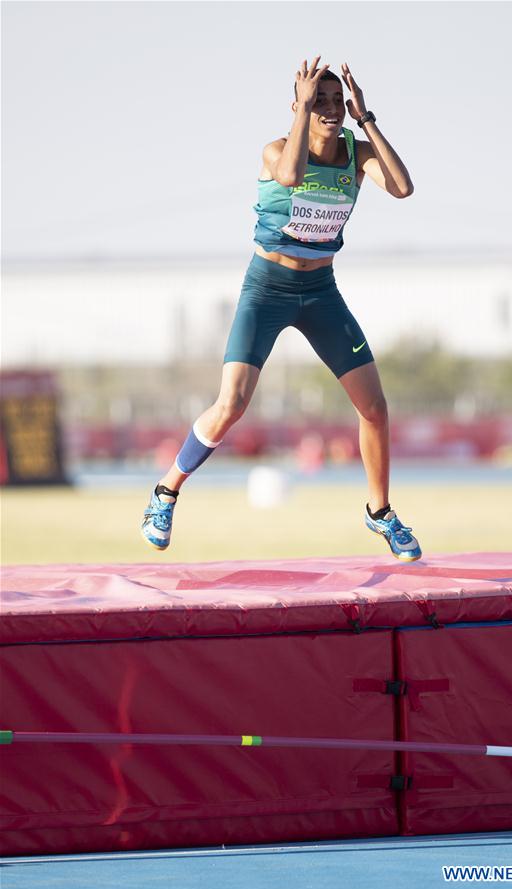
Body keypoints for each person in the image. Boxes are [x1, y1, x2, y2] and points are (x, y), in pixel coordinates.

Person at [141, 56, 422, 562]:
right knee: (232, 404)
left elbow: (402, 187)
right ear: (300, 107)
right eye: (320, 103)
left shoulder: (357, 154)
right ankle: (165, 493)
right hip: (267, 288)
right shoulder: (276, 149)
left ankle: (380, 513)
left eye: (337, 102)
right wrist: (301, 112)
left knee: (375, 408)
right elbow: (291, 175)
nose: (330, 110)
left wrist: (368, 119)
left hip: (321, 294)